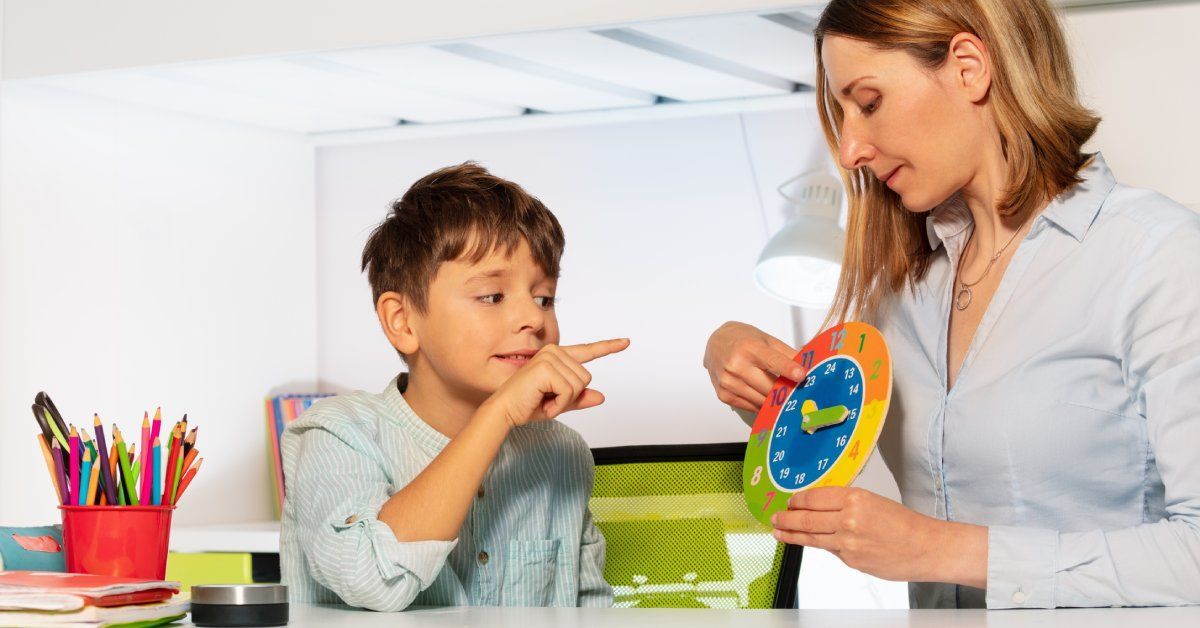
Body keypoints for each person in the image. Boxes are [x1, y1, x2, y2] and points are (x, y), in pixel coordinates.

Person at [704, 0, 1200, 609]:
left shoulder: (1157, 257)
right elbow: (815, 444)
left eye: (869, 102)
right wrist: (738, 362)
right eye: (841, 115)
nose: (850, 149)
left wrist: (940, 550)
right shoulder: (901, 290)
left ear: (968, 67)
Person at [280, 162, 626, 610]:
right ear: (402, 321)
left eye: (544, 297)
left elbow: (590, 610)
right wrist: (497, 414)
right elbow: (371, 580)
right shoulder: (334, 434)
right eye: (492, 296)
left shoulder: (562, 452)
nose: (534, 318)